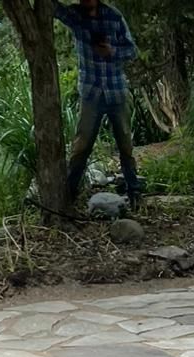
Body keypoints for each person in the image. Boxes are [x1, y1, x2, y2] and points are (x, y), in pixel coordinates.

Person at [53, 0, 145, 209]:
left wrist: (111, 51)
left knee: (125, 145)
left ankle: (134, 193)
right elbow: (54, 9)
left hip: (115, 92)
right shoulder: (76, 16)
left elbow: (131, 51)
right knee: (81, 146)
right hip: (91, 93)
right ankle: (69, 195)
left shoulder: (113, 16)